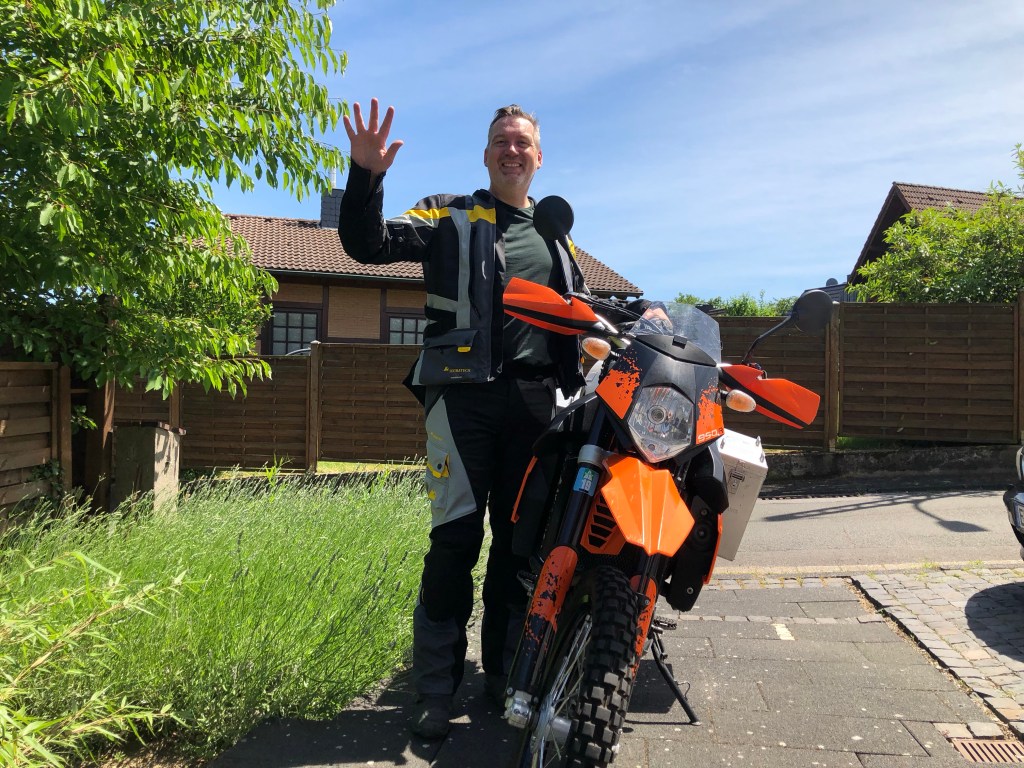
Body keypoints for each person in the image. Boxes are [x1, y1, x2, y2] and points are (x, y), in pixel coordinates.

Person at [337, 99, 588, 740]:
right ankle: (434, 691)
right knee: (454, 542)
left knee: (518, 548)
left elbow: (587, 312)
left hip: (536, 404)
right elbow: (367, 244)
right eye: (501, 140)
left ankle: (505, 676)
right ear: (486, 155)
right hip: (461, 398)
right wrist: (366, 177)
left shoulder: (557, 238)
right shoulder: (447, 214)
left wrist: (649, 317)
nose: (512, 149)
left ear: (538, 158)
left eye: (522, 141)